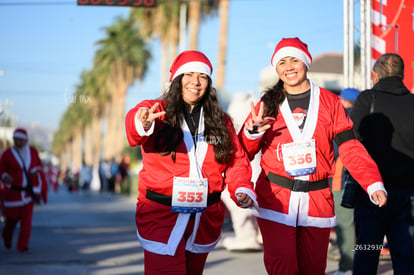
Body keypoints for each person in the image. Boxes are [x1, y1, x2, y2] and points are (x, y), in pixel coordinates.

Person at [238, 37, 387, 275]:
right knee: (283, 268)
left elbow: (350, 146)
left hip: (317, 203)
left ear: (306, 63)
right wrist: (251, 134)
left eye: (294, 60)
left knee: (313, 269)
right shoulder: (267, 103)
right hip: (276, 199)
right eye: (282, 62)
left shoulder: (330, 102)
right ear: (276, 68)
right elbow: (242, 151)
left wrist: (372, 182)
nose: (288, 67)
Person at [124, 50, 257, 274]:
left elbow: (236, 160)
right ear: (177, 79)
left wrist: (241, 187)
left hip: (203, 219)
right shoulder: (156, 109)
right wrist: (142, 122)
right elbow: (134, 128)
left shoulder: (220, 120)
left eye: (202, 76)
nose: (195, 82)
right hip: (162, 216)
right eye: (189, 74)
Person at [350, 53, 414, 274]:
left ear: (375, 75)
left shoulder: (368, 98)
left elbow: (352, 139)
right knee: (406, 256)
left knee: (367, 253)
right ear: (402, 75)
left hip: (372, 193)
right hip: (408, 194)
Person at [221, 92, 263, 252]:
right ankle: (258, 234)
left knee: (240, 206)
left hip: (244, 171)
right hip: (255, 169)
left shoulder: (234, 119)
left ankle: (247, 237)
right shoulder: (248, 118)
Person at [0, 128, 48, 252]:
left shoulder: (32, 152)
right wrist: (4, 176)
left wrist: (35, 171)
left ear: (25, 140)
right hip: (12, 193)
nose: (18, 142)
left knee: (26, 221)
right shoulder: (7, 154)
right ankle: (7, 236)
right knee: (11, 219)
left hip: (28, 192)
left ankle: (22, 245)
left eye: (20, 140)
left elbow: (39, 166)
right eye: (16, 140)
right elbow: (1, 170)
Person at [329, 88, 360, 275]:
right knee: (358, 223)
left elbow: (334, 152)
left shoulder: (342, 119)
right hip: (363, 178)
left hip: (341, 178)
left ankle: (348, 266)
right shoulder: (365, 117)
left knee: (344, 224)